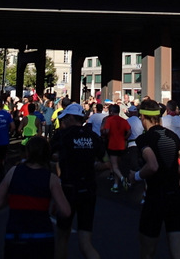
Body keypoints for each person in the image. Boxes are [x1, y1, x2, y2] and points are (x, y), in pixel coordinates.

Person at [128, 98, 180, 259]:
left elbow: (152, 166)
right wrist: (170, 169)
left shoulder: (144, 139)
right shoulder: (172, 136)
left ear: (143, 118)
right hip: (176, 198)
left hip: (155, 198)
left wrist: (135, 176)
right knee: (179, 254)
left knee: (147, 252)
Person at [0, 136, 70, 259]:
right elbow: (66, 211)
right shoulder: (51, 178)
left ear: (27, 152)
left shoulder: (13, 172)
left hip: (16, 235)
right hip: (42, 235)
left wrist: (13, 197)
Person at [51, 102, 107, 259]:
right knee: (85, 242)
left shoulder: (62, 135)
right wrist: (91, 164)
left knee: (62, 237)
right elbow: (107, 162)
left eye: (64, 120)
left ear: (69, 118)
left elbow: (48, 154)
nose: (62, 123)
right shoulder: (93, 137)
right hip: (89, 189)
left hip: (68, 189)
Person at [101, 103, 131, 193]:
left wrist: (104, 132)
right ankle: (116, 184)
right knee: (118, 165)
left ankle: (122, 179)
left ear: (111, 111)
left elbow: (106, 131)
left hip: (112, 144)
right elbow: (129, 131)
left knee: (114, 166)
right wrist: (125, 138)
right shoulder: (124, 120)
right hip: (122, 145)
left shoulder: (109, 120)